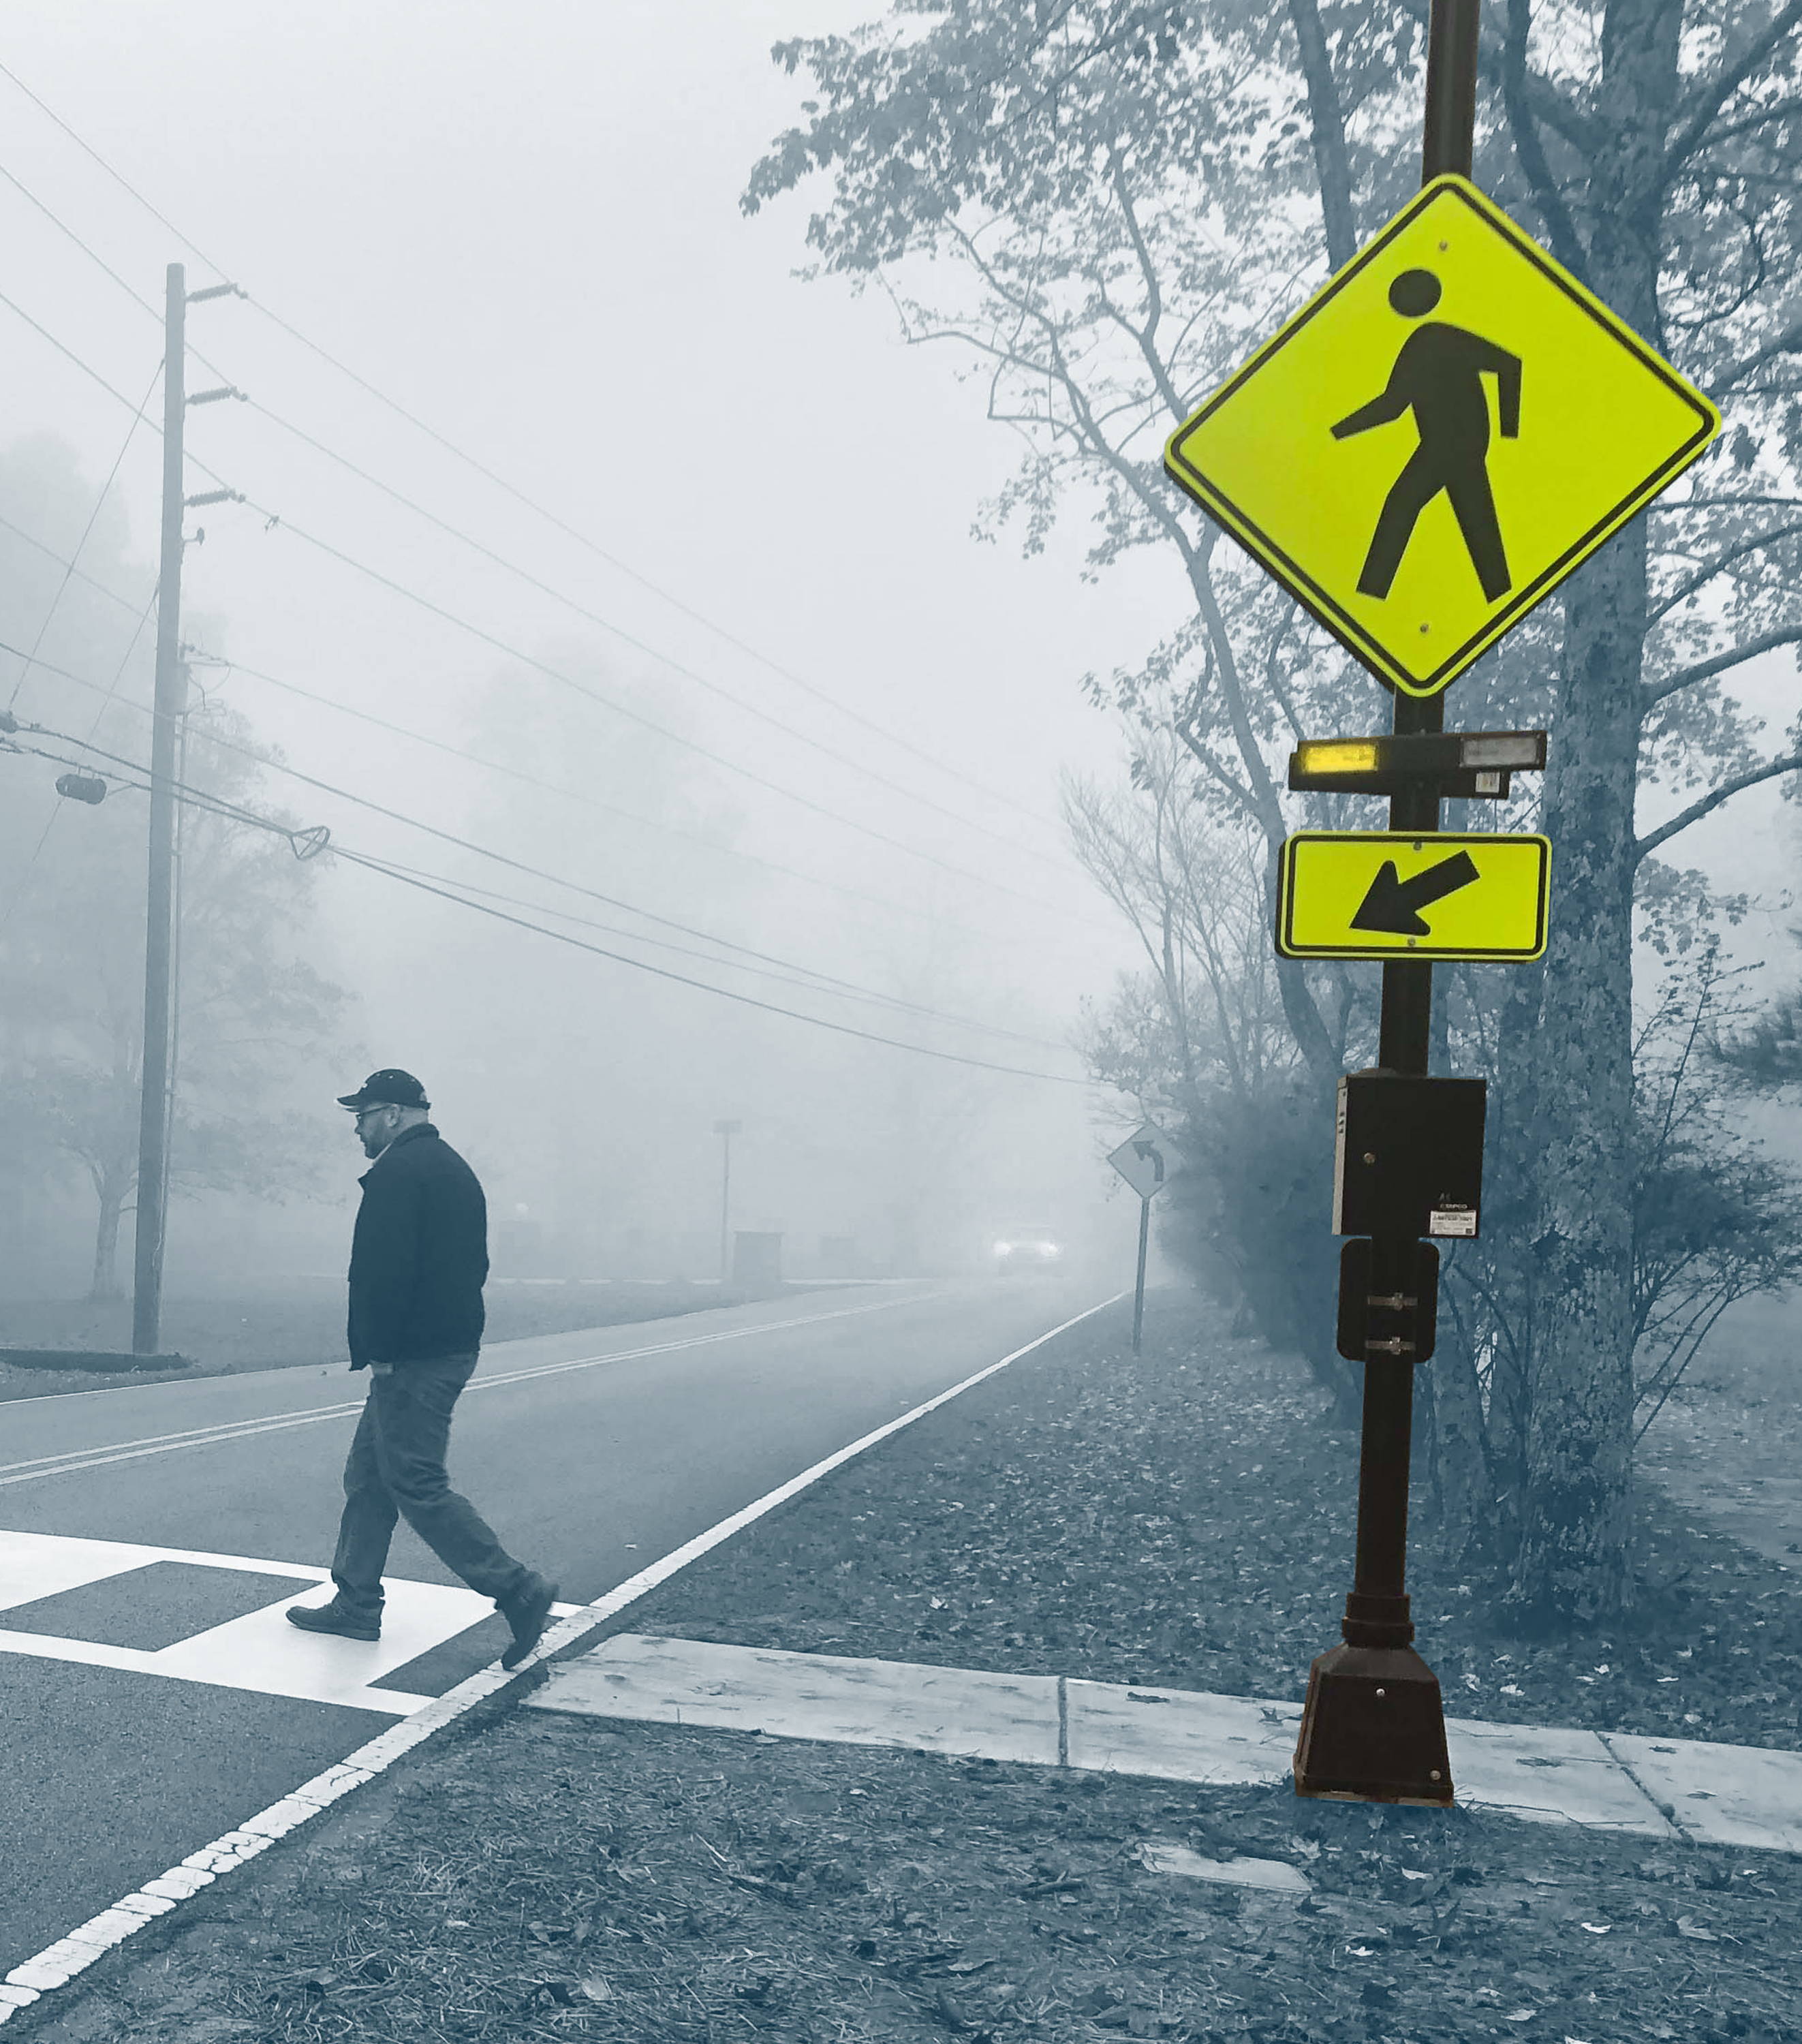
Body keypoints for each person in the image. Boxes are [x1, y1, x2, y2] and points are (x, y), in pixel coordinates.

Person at [288, 1069, 559, 1671]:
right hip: (442, 1345)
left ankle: (517, 1589)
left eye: (362, 1115)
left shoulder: (400, 1174)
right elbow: (473, 1265)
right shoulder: (451, 1169)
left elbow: (382, 1274)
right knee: (369, 1476)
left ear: (393, 1114)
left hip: (413, 1357)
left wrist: (382, 1350)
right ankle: (356, 1602)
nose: (356, 1127)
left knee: (415, 1481)